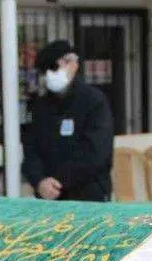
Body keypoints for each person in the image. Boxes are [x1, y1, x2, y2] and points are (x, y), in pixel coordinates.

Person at [21, 40, 115, 202]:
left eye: (55, 67)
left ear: (73, 64)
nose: (51, 74)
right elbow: (31, 151)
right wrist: (39, 181)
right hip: (51, 199)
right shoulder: (40, 107)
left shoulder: (93, 101)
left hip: (88, 197)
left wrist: (59, 181)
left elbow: (96, 152)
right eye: (46, 70)